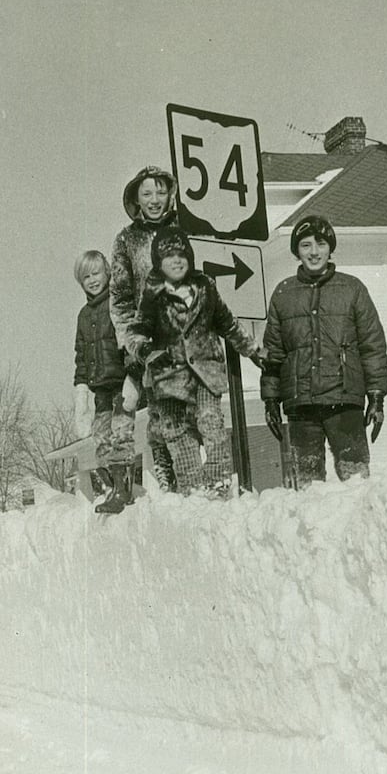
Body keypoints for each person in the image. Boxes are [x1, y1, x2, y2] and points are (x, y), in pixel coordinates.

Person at [128, 227, 263, 497]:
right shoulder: (152, 294)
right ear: (159, 262)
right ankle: (192, 487)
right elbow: (137, 331)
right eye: (169, 257)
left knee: (211, 422)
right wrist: (146, 352)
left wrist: (252, 349)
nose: (176, 261)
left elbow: (227, 322)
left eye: (182, 255)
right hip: (169, 376)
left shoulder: (204, 287)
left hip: (206, 371)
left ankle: (219, 482)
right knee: (178, 435)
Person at [260, 214, 387, 484]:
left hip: (345, 402)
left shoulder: (352, 289)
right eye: (305, 245)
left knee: (356, 482)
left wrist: (376, 396)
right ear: (297, 251)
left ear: (330, 248)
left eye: (320, 244)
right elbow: (273, 353)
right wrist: (271, 400)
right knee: (309, 487)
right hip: (301, 405)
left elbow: (372, 345)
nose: (314, 252)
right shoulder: (283, 294)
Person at [109, 165, 180, 493]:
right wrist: (131, 341)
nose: (155, 200)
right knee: (160, 417)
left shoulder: (185, 229)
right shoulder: (126, 240)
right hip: (150, 344)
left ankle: (201, 487)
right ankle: (168, 486)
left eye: (160, 192)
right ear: (136, 198)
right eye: (147, 193)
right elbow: (120, 299)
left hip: (188, 338)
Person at [72, 250, 137, 513]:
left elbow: (130, 340)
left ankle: (124, 490)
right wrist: (81, 392)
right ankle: (111, 488)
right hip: (99, 388)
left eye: (96, 273)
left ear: (107, 272)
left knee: (121, 434)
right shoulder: (83, 316)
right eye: (86, 276)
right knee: (101, 439)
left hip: (121, 383)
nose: (92, 280)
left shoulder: (117, 304)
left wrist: (133, 375)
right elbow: (81, 356)